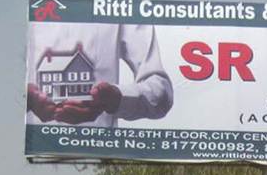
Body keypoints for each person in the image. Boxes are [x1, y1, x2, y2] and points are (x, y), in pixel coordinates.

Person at [26, 23, 174, 127]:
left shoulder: (124, 4)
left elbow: (161, 92)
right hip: (24, 152)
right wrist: (28, 97)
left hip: (100, 156)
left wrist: (117, 98)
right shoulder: (22, 1)